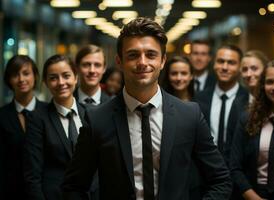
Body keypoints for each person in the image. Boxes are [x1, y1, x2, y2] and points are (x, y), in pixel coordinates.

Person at [62, 17, 232, 200]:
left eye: (151, 55)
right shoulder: (97, 119)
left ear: (163, 61)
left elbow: (220, 180)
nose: (142, 62)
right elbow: (74, 186)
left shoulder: (189, 115)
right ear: (119, 61)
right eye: (133, 55)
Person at [23, 55, 97, 200]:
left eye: (66, 76)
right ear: (45, 83)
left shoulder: (92, 114)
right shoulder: (37, 119)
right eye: (53, 78)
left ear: (75, 78)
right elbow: (32, 174)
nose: (61, 82)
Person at [230, 59, 274, 200]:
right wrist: (253, 198)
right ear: (263, 86)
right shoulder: (247, 119)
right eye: (269, 82)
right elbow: (235, 167)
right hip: (253, 195)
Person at [0, 55, 46, 200]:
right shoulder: (1, 116)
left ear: (35, 76)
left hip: (46, 192)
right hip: (10, 192)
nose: (21, 79)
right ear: (8, 80)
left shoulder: (48, 112)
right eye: (15, 75)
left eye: (26, 73)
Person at [195, 44, 249, 163]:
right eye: (220, 61)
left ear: (240, 67)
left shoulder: (248, 100)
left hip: (238, 171)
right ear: (214, 64)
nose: (224, 67)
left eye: (231, 63)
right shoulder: (199, 98)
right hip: (205, 170)